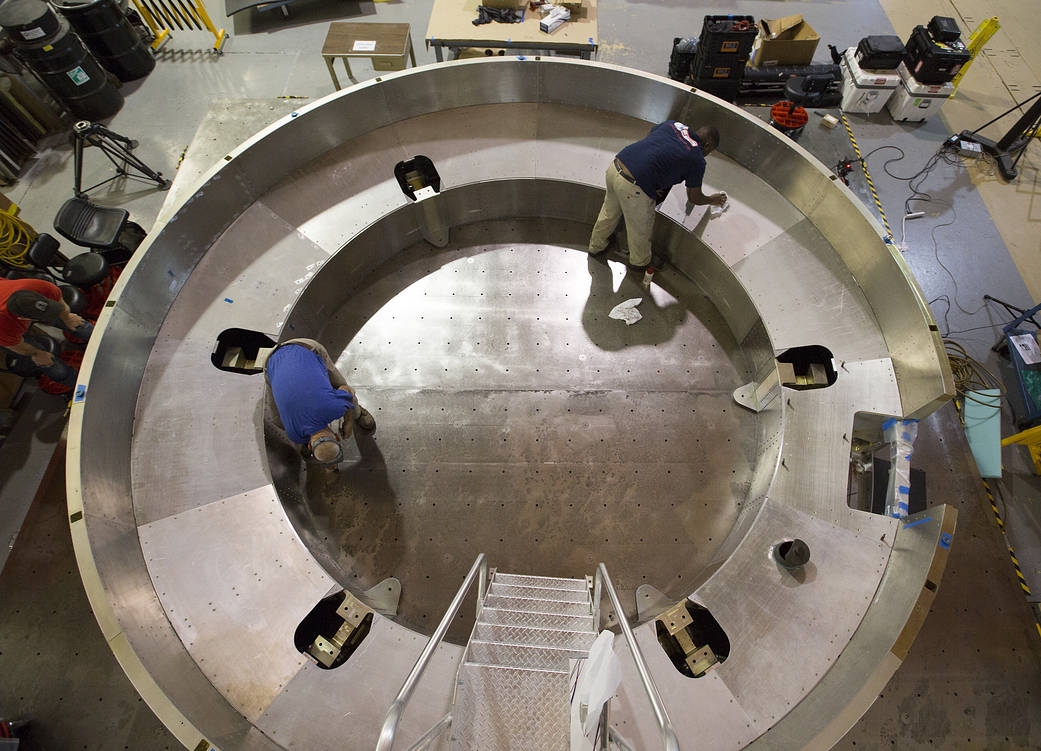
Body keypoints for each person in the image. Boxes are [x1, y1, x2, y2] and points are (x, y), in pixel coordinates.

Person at [588, 121, 727, 270]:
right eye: (710, 151)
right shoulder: (697, 159)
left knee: (609, 212)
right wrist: (713, 199)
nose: (707, 154)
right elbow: (694, 198)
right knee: (640, 229)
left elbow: (653, 141)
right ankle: (640, 263)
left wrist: (655, 174)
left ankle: (596, 246)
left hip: (617, 166)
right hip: (633, 186)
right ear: (707, 145)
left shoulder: (674, 125)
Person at [264, 338, 376, 466]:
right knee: (277, 420)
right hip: (270, 363)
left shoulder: (334, 408)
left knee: (342, 387)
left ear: (337, 437)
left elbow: (347, 391)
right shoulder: (294, 434)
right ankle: (355, 413)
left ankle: (358, 414)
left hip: (300, 351)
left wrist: (348, 421)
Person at [0, 278, 94, 388]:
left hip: (10, 296)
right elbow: (18, 346)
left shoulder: (36, 286)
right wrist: (37, 353)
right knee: (54, 368)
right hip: (9, 335)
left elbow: (59, 302)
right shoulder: (4, 325)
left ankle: (108, 342)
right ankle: (85, 387)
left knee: (79, 325)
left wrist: (67, 317)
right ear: (23, 318)